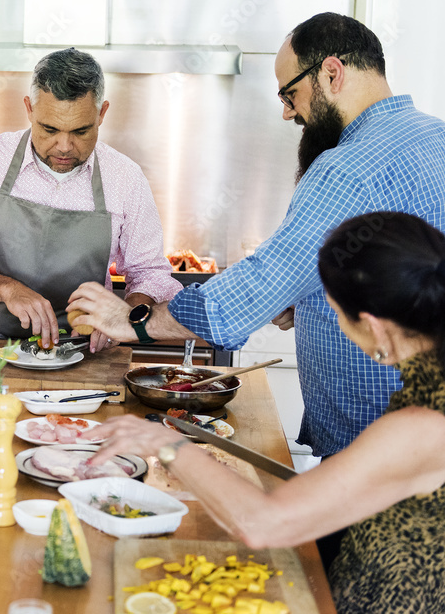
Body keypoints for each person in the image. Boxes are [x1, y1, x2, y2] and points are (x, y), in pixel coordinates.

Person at [69, 13, 445, 460]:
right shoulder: (435, 137)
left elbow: (244, 297)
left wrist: (133, 323)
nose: (288, 112)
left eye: (290, 93)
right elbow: (405, 272)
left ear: (332, 72)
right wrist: (308, 292)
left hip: (375, 449)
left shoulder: (346, 168)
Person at [86, 211, 445, 614]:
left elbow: (263, 524)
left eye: (333, 314)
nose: (335, 327)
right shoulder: (426, 388)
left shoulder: (423, 427)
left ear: (376, 327)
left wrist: (166, 443)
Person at [0, 47, 180, 351]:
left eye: (81, 131)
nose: (64, 146)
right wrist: (7, 289)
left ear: (102, 113)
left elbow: (149, 272)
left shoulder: (125, 178)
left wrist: (127, 317)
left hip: (83, 353)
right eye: (49, 129)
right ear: (29, 108)